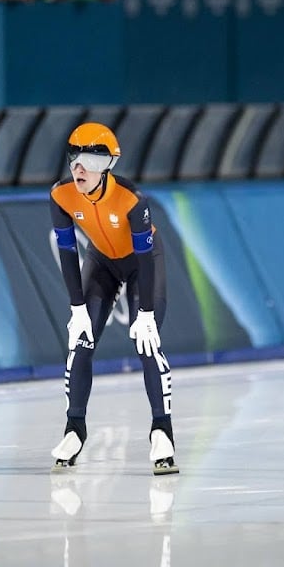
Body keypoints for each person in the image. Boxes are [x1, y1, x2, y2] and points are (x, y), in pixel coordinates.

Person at [48, 122, 178, 475]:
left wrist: (146, 312)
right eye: (73, 156)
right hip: (101, 261)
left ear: (108, 164)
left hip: (142, 265)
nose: (78, 167)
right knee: (80, 341)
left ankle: (162, 430)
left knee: (147, 343)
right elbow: (67, 250)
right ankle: (74, 428)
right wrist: (77, 308)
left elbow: (145, 258)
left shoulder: (132, 200)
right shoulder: (61, 196)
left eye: (88, 158)